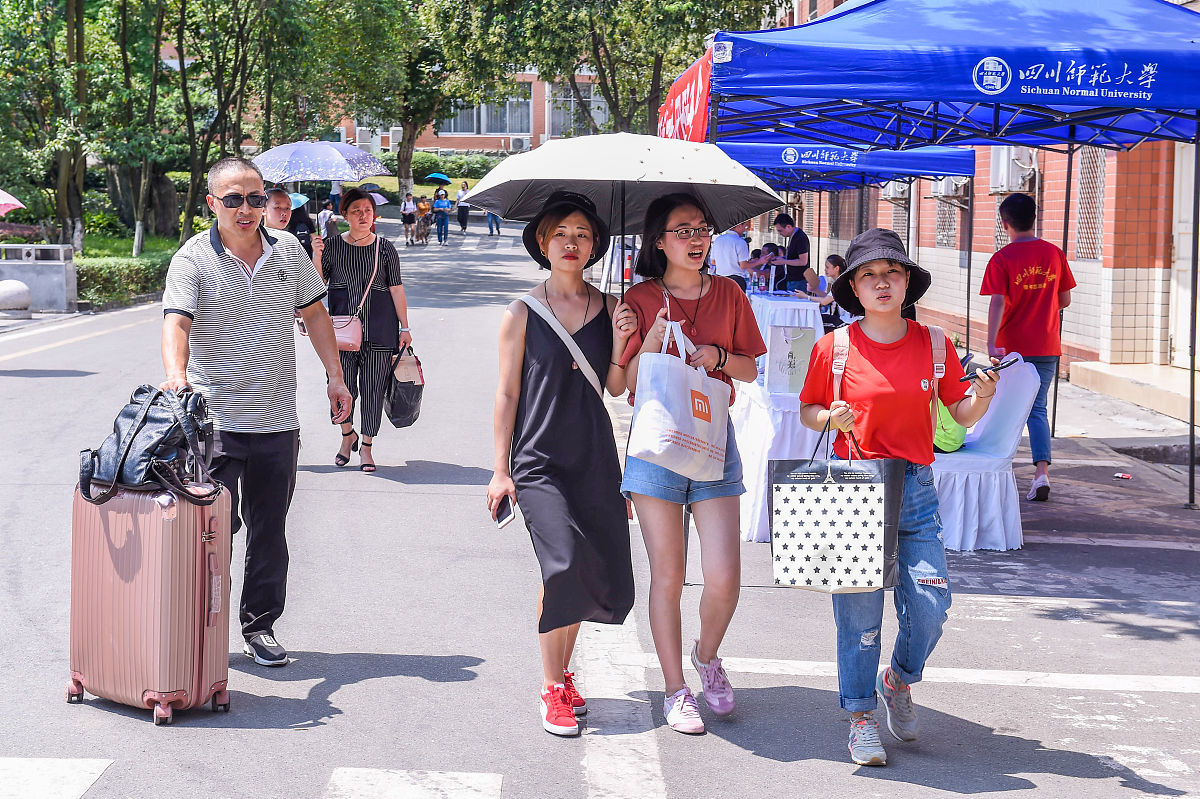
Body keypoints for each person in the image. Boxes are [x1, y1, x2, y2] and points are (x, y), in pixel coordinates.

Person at [798, 228, 997, 767]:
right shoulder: (833, 348)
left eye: (892, 273)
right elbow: (808, 410)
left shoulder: (936, 344)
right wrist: (828, 415)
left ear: (908, 282)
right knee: (859, 617)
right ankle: (861, 717)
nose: (882, 283)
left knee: (931, 603)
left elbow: (959, 415)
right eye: (869, 275)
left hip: (917, 487)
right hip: (856, 483)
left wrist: (982, 396)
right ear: (854, 289)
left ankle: (899, 681)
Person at [160, 156, 353, 667]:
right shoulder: (193, 258)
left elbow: (314, 313)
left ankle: (259, 625)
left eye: (254, 199)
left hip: (276, 422)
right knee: (212, 532)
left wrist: (336, 376)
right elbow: (176, 322)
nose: (246, 210)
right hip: (215, 424)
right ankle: (202, 627)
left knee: (270, 530)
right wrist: (177, 376)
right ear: (212, 204)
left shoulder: (288, 251)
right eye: (233, 200)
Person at [486, 191, 638, 738]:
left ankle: (563, 674)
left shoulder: (612, 308)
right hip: (538, 461)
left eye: (582, 234)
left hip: (596, 460)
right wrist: (499, 469)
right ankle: (552, 687)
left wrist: (622, 344)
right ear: (544, 244)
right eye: (560, 233)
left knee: (584, 573)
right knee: (562, 565)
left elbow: (618, 389)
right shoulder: (522, 312)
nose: (571, 242)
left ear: (595, 245)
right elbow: (506, 395)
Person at [618, 193, 767, 735]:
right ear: (659, 241)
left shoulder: (729, 293)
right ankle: (676, 688)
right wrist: (649, 339)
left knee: (726, 574)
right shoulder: (638, 297)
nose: (697, 239)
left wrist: (721, 358)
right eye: (683, 230)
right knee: (669, 573)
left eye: (703, 229)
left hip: (713, 442)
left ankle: (708, 657)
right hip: (656, 446)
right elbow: (627, 386)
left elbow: (751, 371)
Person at [981, 192, 1075, 502]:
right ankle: (1041, 473)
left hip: (1011, 348)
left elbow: (997, 301)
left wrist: (991, 341)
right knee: (1037, 409)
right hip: (1047, 344)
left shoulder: (1002, 259)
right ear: (1035, 218)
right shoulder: (1053, 254)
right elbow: (1064, 300)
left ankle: (998, 467)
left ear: (1004, 223)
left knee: (1004, 406)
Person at [322, 187, 413, 472]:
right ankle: (346, 435)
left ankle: (367, 446)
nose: (363, 216)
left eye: (367, 211)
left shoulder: (385, 248)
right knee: (342, 386)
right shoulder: (332, 246)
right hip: (340, 331)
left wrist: (405, 327)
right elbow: (315, 284)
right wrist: (315, 252)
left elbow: (396, 289)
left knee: (374, 389)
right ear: (344, 215)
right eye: (356, 211)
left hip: (380, 328)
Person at [795, 254, 856, 332]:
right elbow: (829, 297)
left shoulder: (841, 283)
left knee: (815, 321)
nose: (825, 270)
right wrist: (814, 290)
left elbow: (825, 301)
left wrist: (805, 296)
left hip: (847, 321)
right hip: (846, 319)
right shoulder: (841, 281)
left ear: (836, 268)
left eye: (827, 267)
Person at [709, 220, 772, 292]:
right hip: (735, 280)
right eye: (745, 226)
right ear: (739, 226)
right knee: (735, 303)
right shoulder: (740, 242)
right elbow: (743, 265)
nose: (745, 229)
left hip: (719, 279)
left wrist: (726, 262)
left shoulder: (718, 240)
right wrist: (760, 261)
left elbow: (713, 261)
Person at [771, 213, 821, 293]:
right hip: (792, 278)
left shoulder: (800, 237)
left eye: (780, 231)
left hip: (799, 280)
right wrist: (782, 258)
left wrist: (783, 261)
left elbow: (803, 261)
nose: (780, 233)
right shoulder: (793, 236)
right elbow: (793, 257)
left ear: (788, 226)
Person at [287, 203, 323, 270]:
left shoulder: (291, 219)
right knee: (308, 264)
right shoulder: (307, 219)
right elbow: (312, 234)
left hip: (296, 245)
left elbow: (290, 233)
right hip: (307, 245)